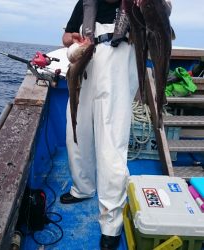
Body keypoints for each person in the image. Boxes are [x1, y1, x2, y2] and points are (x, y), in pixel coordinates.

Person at [60, 0, 171, 249]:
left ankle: (111, 222)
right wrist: (72, 40)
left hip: (118, 62)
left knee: (111, 144)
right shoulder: (85, 2)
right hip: (85, 60)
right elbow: (65, 36)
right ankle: (83, 187)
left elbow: (165, 10)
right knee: (77, 131)